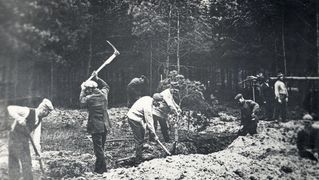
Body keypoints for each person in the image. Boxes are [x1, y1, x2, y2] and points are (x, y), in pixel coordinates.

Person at [8, 98, 54, 180]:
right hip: (14, 138)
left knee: (27, 162)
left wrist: (38, 153)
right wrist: (20, 119)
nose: (47, 114)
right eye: (48, 112)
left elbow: (36, 138)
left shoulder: (39, 120)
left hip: (24, 140)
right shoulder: (28, 111)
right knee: (14, 161)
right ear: (43, 109)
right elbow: (10, 108)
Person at [80, 71, 111, 174]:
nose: (87, 91)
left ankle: (103, 169)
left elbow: (81, 101)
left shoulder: (90, 98)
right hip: (105, 125)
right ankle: (98, 169)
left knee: (98, 150)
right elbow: (106, 86)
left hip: (96, 127)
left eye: (87, 90)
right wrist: (97, 78)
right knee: (101, 148)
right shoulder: (103, 94)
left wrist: (82, 89)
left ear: (90, 89)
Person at [127, 93, 164, 162]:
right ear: (155, 101)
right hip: (133, 118)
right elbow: (149, 123)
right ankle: (138, 158)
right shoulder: (148, 107)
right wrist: (154, 135)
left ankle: (140, 150)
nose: (158, 105)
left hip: (138, 117)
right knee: (139, 139)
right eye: (158, 103)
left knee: (142, 134)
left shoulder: (148, 98)